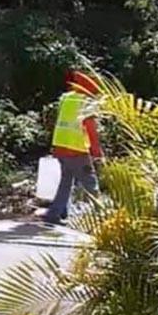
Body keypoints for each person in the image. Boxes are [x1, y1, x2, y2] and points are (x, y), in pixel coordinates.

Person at [41, 70, 103, 224]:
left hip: (61, 147)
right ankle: (102, 218)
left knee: (66, 182)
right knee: (91, 184)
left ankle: (54, 214)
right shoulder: (86, 101)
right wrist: (96, 150)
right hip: (77, 149)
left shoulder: (66, 98)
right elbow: (89, 126)